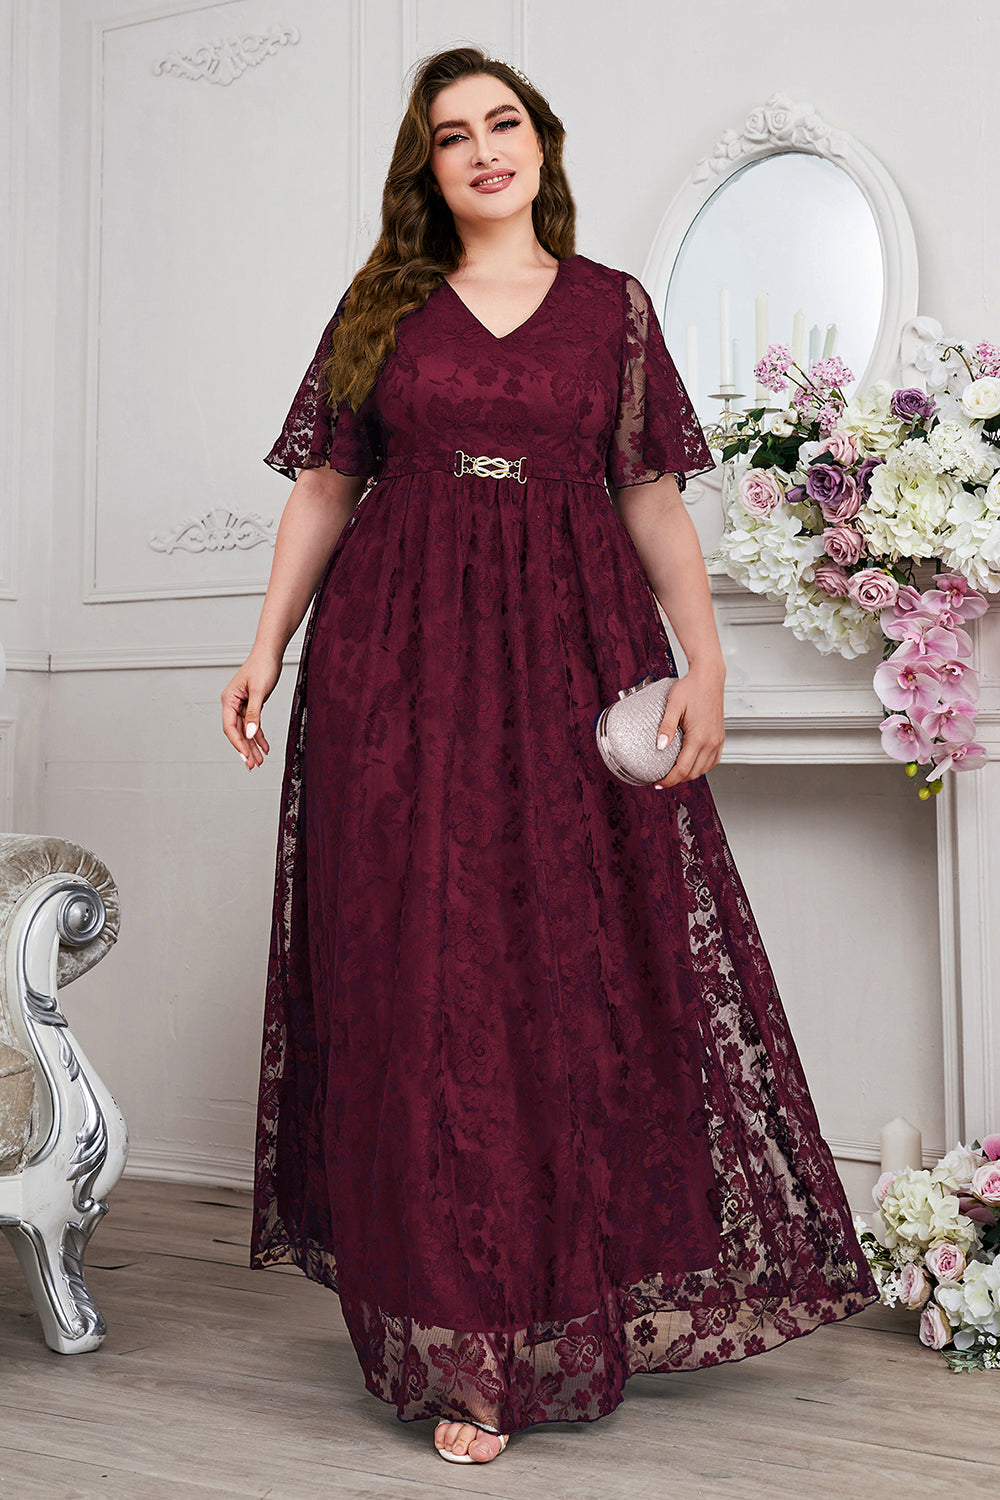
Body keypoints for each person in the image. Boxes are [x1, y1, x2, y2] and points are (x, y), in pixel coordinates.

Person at [221, 45, 878, 1466]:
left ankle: (565, 1297)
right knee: (426, 979)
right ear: (428, 168)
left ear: (541, 142)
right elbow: (327, 485)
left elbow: (653, 501)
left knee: (567, 967)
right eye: (452, 135)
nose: (483, 150)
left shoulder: (612, 310)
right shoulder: (382, 305)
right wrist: (265, 648)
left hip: (571, 649)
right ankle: (463, 1339)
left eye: (502, 122)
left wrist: (705, 665)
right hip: (398, 658)